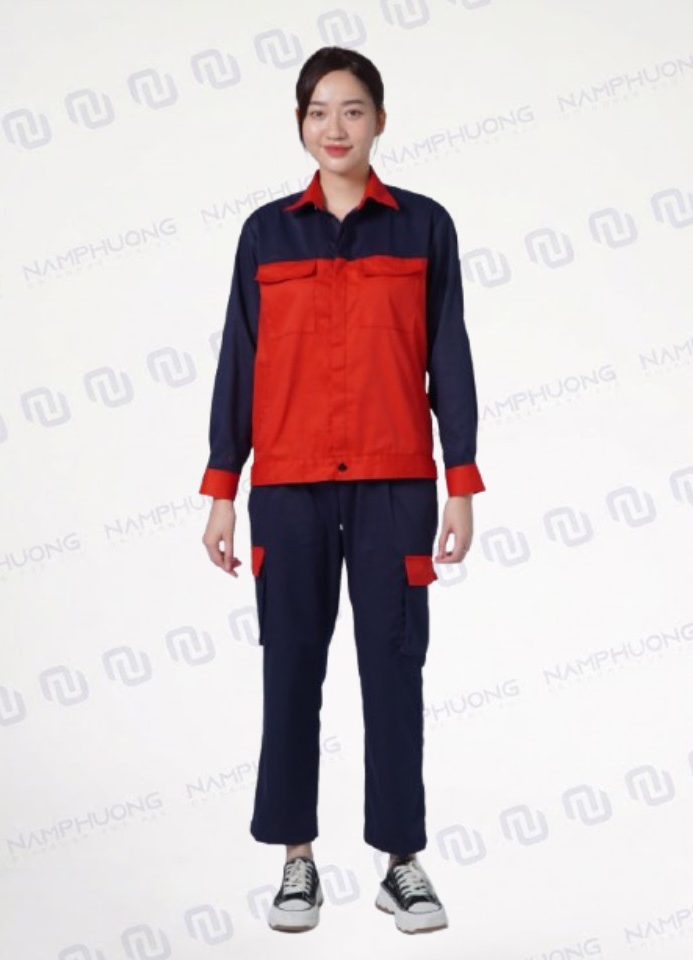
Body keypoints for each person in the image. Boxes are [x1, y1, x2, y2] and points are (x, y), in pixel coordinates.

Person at [199, 46, 485, 935]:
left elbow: (448, 355)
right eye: (319, 111)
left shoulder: (424, 227)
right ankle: (297, 860)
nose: (336, 127)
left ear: (380, 121)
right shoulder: (266, 234)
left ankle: (401, 863)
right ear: (300, 124)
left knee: (394, 668)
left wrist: (462, 481)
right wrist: (221, 487)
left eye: (353, 110)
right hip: (288, 488)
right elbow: (240, 361)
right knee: (290, 667)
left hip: (396, 484)